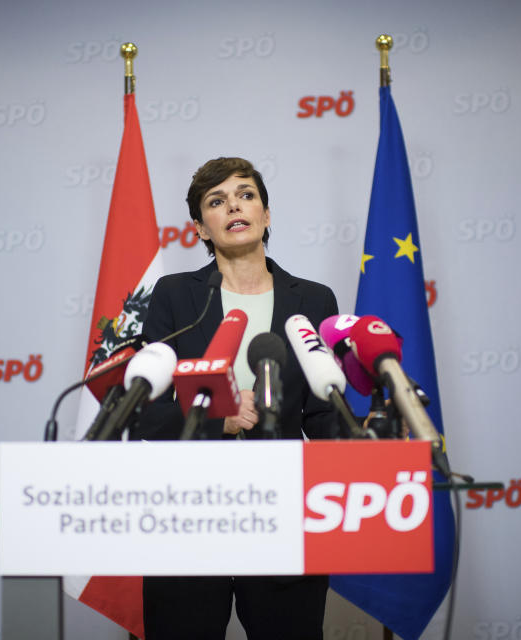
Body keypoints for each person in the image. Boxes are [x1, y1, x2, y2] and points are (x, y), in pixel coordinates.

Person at [133, 157, 338, 639]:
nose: (234, 207)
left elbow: (324, 411)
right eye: (216, 201)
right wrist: (218, 421)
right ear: (201, 228)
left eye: (246, 195)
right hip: (189, 512)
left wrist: (368, 448)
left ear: (267, 215)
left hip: (284, 511)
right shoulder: (174, 296)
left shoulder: (313, 299)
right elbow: (148, 412)